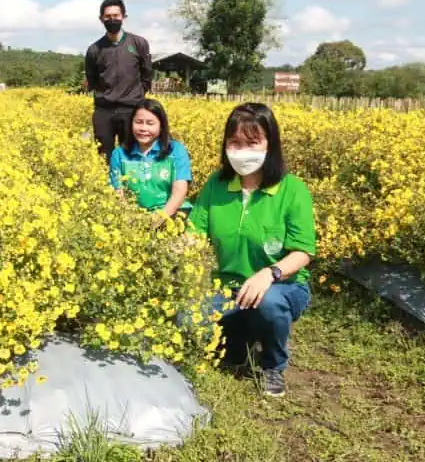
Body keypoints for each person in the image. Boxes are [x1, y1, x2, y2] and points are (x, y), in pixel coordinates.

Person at [188, 102, 316, 397]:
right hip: (227, 285)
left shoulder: (291, 189)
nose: (242, 151)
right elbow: (194, 232)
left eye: (252, 142)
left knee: (268, 303)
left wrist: (269, 274)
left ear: (270, 144)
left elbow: (303, 251)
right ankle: (240, 341)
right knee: (186, 318)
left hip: (282, 286)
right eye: (234, 142)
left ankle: (273, 363)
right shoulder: (217, 184)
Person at [85, 0, 153, 165]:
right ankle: (105, 190)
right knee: (103, 158)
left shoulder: (138, 43)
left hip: (131, 108)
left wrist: (135, 96)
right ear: (101, 19)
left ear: (124, 17)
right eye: (108, 16)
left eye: (116, 15)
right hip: (104, 110)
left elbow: (147, 74)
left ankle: (129, 190)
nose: (112, 20)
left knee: (131, 155)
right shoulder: (94, 49)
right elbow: (92, 79)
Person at [108, 99, 192, 222]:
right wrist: (134, 221)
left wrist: (158, 219)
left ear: (161, 126)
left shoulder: (176, 150)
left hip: (171, 216)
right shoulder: (119, 154)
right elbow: (118, 194)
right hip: (132, 219)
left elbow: (179, 192)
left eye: (150, 123)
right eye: (138, 122)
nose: (143, 128)